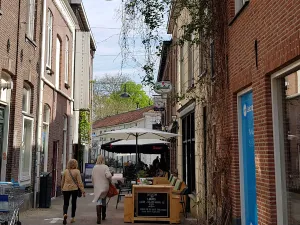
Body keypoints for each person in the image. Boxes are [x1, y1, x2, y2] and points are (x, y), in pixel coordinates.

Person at [61, 159, 86, 224]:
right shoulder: (77, 171)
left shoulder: (65, 171)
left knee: (66, 203)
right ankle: (72, 217)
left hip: (66, 189)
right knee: (74, 203)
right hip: (74, 189)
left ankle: (65, 214)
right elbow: (80, 182)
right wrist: (83, 191)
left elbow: (62, 181)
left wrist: (62, 188)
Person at [92, 155, 112, 224]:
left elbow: (92, 177)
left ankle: (98, 217)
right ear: (103, 160)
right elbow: (108, 175)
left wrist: (94, 184)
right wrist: (110, 179)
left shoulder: (95, 167)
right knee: (103, 200)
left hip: (97, 186)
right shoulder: (105, 167)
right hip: (105, 186)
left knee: (98, 200)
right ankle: (103, 215)